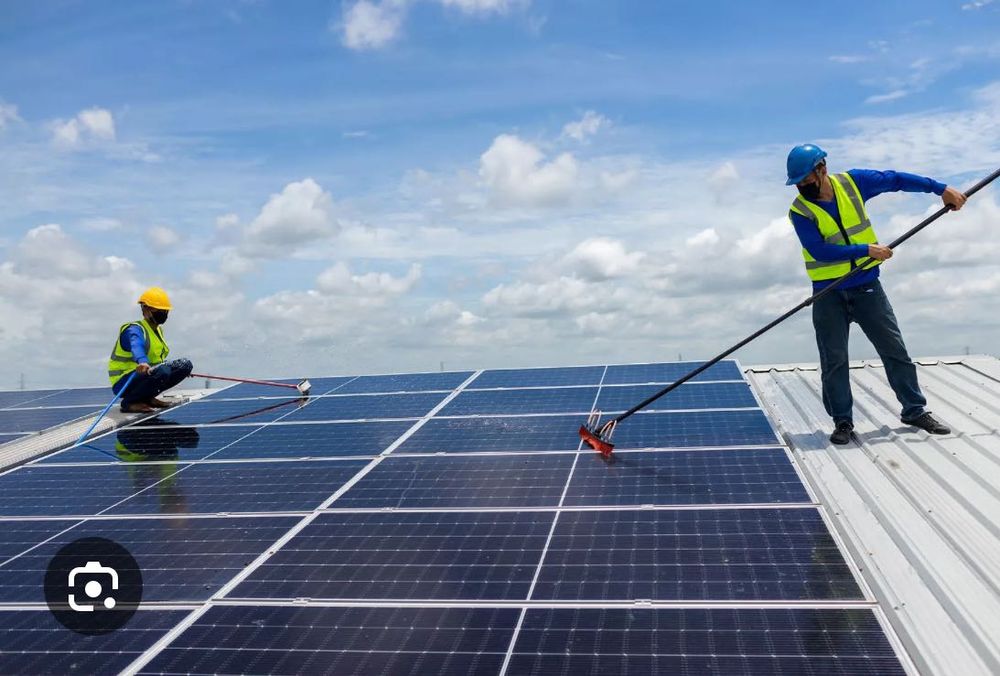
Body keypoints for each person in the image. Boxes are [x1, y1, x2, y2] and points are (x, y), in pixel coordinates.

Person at [785, 144, 966, 445]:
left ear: (822, 169)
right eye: (798, 182)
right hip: (827, 294)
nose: (803, 186)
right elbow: (819, 250)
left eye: (806, 178)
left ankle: (914, 410)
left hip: (867, 286)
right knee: (834, 360)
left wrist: (940, 189)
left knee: (894, 349)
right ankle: (842, 421)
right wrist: (866, 250)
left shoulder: (854, 183)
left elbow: (895, 179)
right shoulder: (799, 210)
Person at [108, 287, 193, 413]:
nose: (162, 313)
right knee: (163, 371)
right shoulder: (133, 330)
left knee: (185, 366)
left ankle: (147, 398)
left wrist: (179, 371)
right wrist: (142, 361)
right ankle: (129, 402)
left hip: (145, 377)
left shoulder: (158, 330)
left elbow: (158, 360)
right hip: (124, 381)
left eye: (165, 310)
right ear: (145, 309)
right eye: (157, 309)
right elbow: (136, 345)